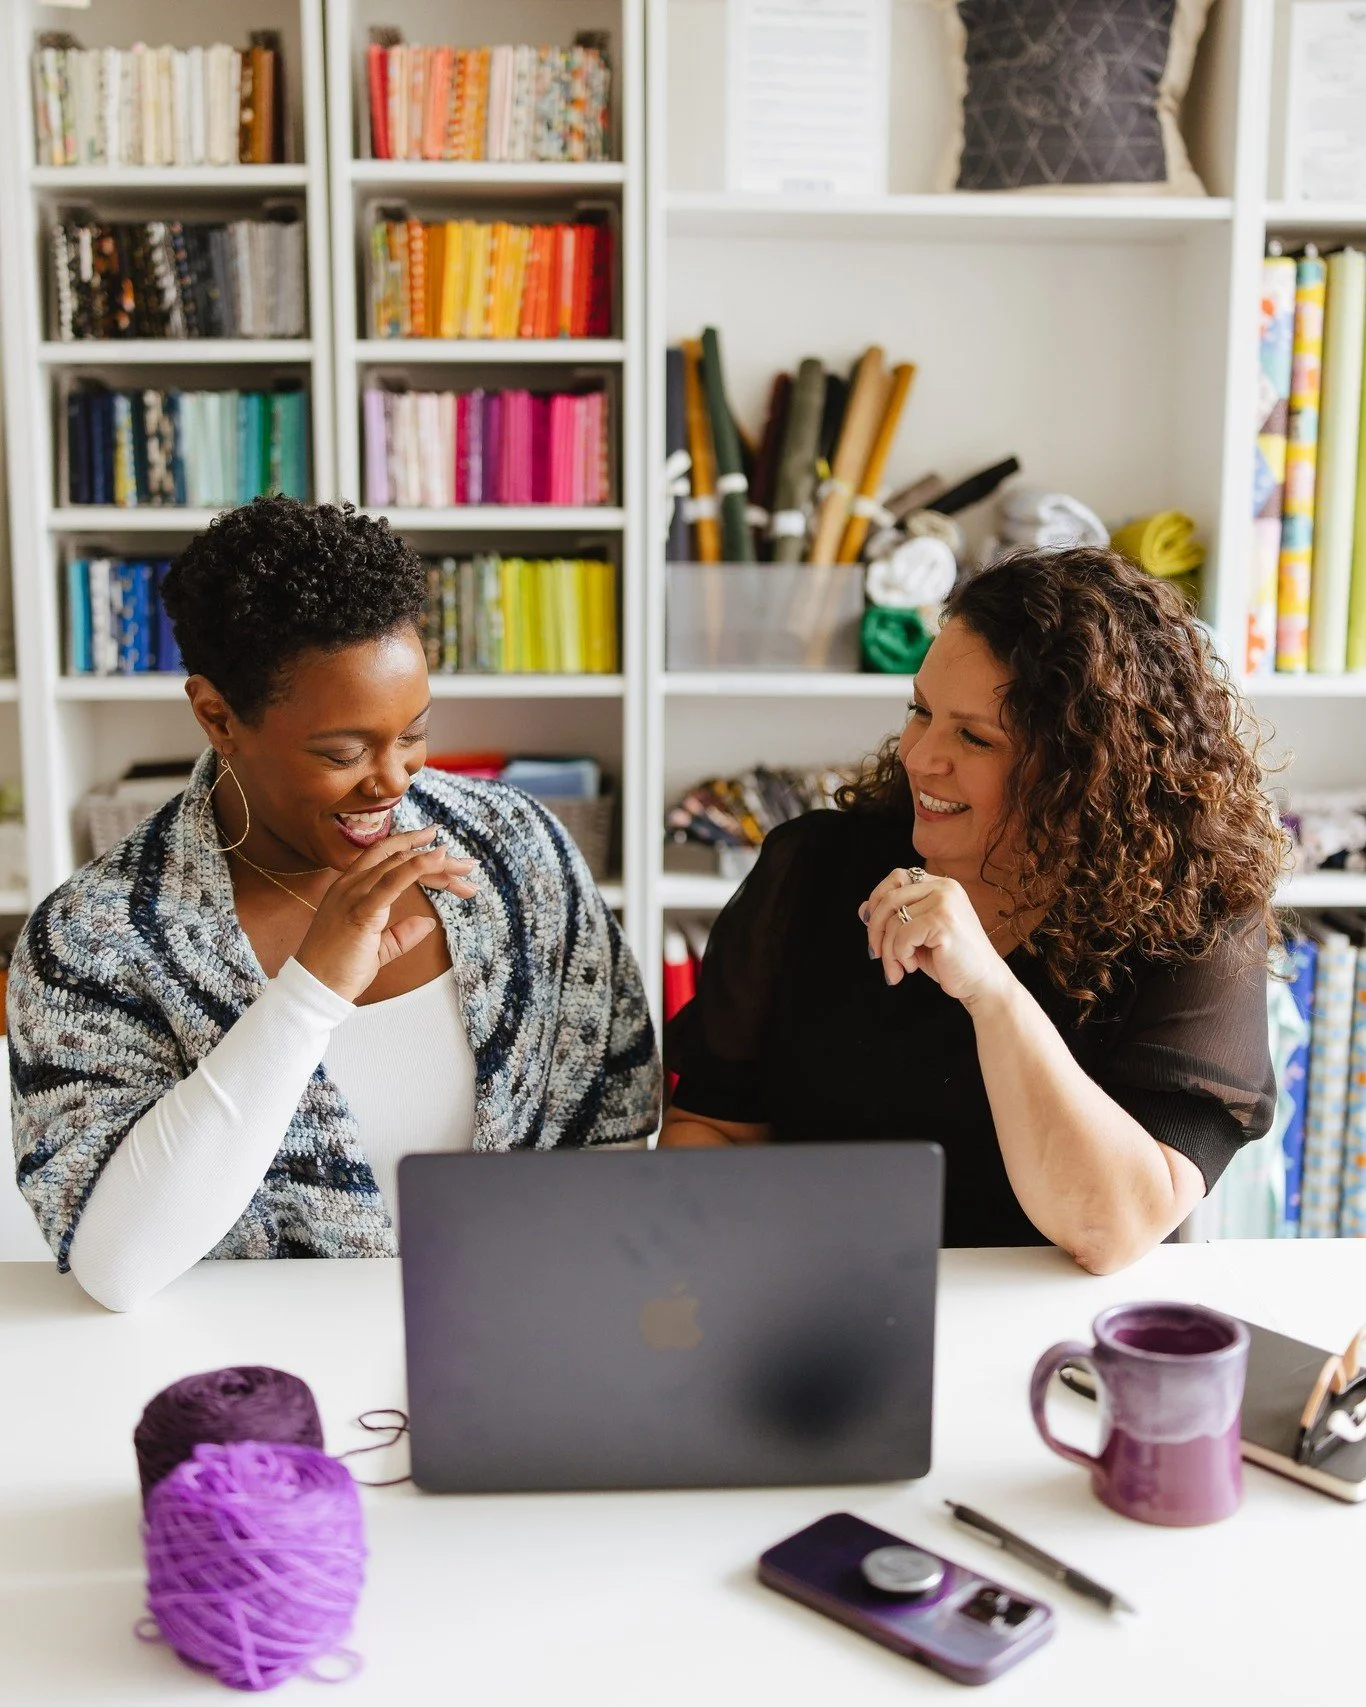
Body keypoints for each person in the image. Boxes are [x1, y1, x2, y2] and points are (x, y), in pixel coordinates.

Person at [9, 498, 660, 1310]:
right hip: (259, 1393)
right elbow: (115, 1264)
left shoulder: (512, 850)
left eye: (414, 732)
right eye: (343, 751)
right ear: (217, 716)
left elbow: (615, 1127)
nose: (392, 780)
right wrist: (309, 991)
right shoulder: (97, 939)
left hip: (521, 1350)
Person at [661, 548, 1283, 1274]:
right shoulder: (812, 868)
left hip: (1054, 1353)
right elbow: (714, 1129)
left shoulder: (1196, 922)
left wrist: (988, 989)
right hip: (822, 1315)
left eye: (975, 737)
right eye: (921, 711)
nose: (921, 756)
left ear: (1085, 771)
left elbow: (1114, 1226)